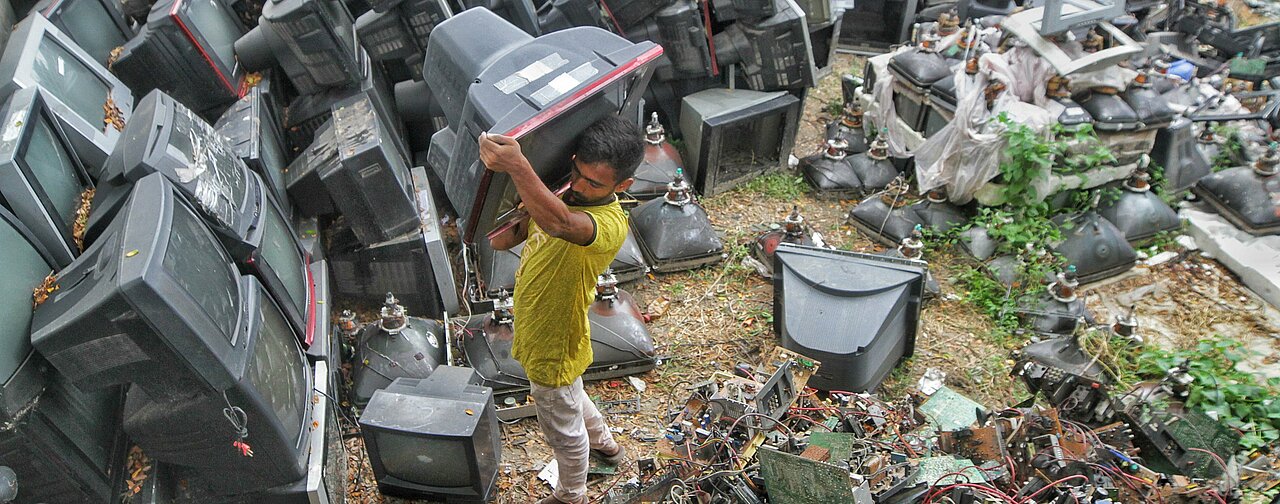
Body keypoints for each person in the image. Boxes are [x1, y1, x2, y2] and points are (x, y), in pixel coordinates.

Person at [479, 115, 645, 504]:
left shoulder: (607, 223)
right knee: (572, 397)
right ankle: (607, 446)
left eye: (594, 183)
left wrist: (520, 166)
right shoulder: (563, 193)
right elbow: (504, 241)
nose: (581, 186)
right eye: (578, 173)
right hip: (542, 327)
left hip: (553, 337)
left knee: (561, 427)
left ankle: (572, 495)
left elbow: (559, 224)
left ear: (623, 186)